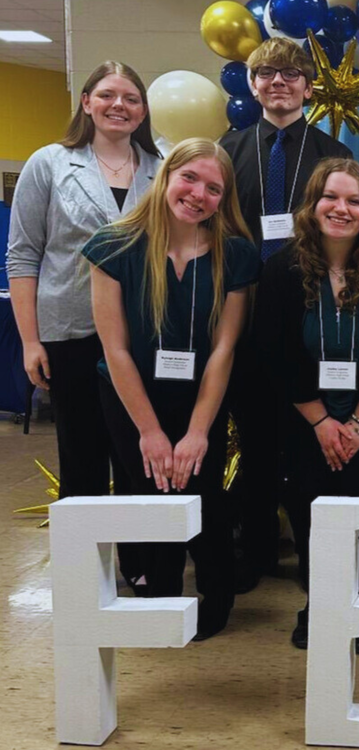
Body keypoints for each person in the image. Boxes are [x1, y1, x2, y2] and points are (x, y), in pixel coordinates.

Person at [82, 138, 260, 640]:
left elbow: (224, 350)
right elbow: (115, 349)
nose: (198, 193)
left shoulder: (236, 257)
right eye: (190, 178)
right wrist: (151, 432)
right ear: (166, 177)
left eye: (213, 188)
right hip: (130, 397)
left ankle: (216, 593)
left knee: (202, 492)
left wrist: (199, 431)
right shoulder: (113, 247)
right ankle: (158, 594)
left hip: (200, 397)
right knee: (150, 490)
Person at [255, 158, 359, 651]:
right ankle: (322, 603)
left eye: (354, 200)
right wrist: (323, 423)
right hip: (304, 418)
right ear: (313, 203)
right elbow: (275, 350)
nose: (341, 208)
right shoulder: (283, 267)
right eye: (331, 197)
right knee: (312, 511)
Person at [7, 60, 161, 591]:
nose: (120, 106)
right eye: (108, 95)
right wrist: (30, 341)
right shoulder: (50, 164)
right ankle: (83, 577)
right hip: (69, 331)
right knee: (81, 455)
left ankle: (140, 568)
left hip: (140, 334)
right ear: (87, 102)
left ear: (143, 110)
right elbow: (24, 256)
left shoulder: (159, 167)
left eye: (131, 98)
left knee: (137, 454)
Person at [220, 37, 354, 593]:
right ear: (252, 85)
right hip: (243, 320)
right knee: (253, 443)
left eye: (291, 73)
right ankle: (253, 552)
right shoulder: (227, 150)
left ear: (308, 85)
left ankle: (314, 560)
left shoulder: (330, 155)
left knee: (306, 450)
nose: (280, 82)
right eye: (268, 73)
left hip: (309, 322)